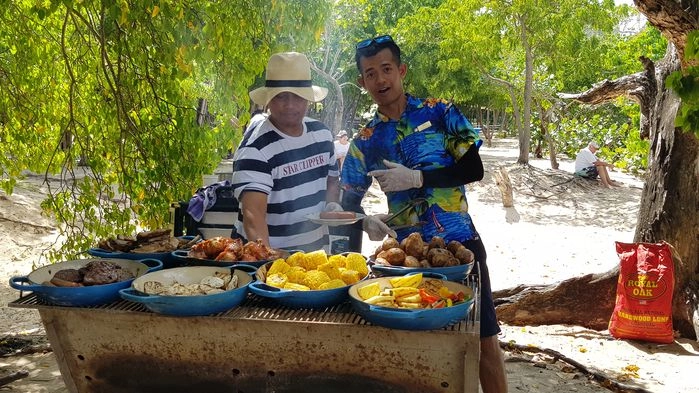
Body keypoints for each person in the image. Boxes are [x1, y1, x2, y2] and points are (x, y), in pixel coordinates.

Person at [340, 35, 507, 393]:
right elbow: (347, 202)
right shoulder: (365, 141)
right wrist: (365, 220)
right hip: (404, 258)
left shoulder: (440, 113)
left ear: (401, 70)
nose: (380, 80)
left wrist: (419, 176)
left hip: (460, 248)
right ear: (362, 82)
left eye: (386, 69)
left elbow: (474, 170)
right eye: (370, 74)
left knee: (483, 336)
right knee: (414, 347)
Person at [230, 52, 342, 252]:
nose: (290, 105)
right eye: (281, 96)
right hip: (268, 259)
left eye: (298, 96)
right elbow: (253, 218)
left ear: (308, 99)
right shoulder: (255, 149)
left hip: (316, 254)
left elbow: (332, 179)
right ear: (269, 100)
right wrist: (273, 267)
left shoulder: (322, 135)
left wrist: (332, 206)